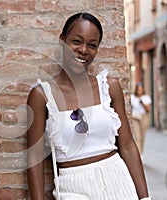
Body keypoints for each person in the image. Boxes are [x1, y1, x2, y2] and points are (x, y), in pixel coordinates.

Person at [26, 12, 151, 200]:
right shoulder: (42, 95)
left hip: (119, 182)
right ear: (62, 41)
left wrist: (145, 198)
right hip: (73, 187)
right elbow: (34, 159)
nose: (83, 50)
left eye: (92, 45)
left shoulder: (109, 87)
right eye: (76, 41)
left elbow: (127, 146)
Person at [131, 83, 151, 154]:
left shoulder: (146, 97)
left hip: (143, 117)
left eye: (141, 89)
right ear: (136, 90)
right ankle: (138, 154)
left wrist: (142, 103)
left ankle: (141, 153)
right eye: (138, 89)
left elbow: (148, 110)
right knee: (137, 137)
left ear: (143, 90)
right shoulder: (132, 97)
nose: (139, 91)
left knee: (142, 136)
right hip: (135, 117)